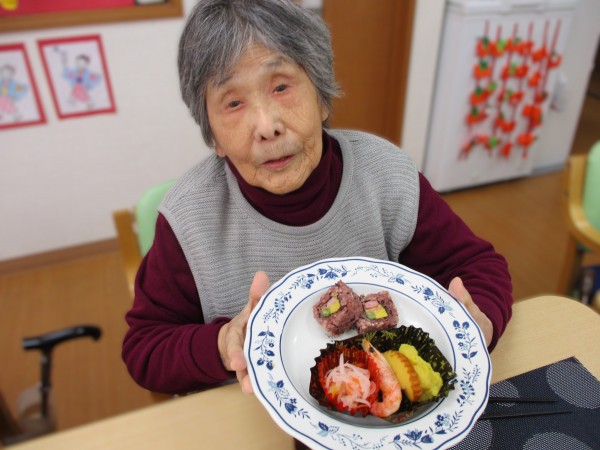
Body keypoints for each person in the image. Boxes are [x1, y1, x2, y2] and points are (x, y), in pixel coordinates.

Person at [122, 0, 512, 397]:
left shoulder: (387, 176)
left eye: (281, 87)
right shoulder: (190, 218)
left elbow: (475, 266)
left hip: (382, 411)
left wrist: (478, 322)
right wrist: (221, 344)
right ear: (213, 136)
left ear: (322, 97)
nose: (267, 126)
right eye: (234, 103)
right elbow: (145, 348)